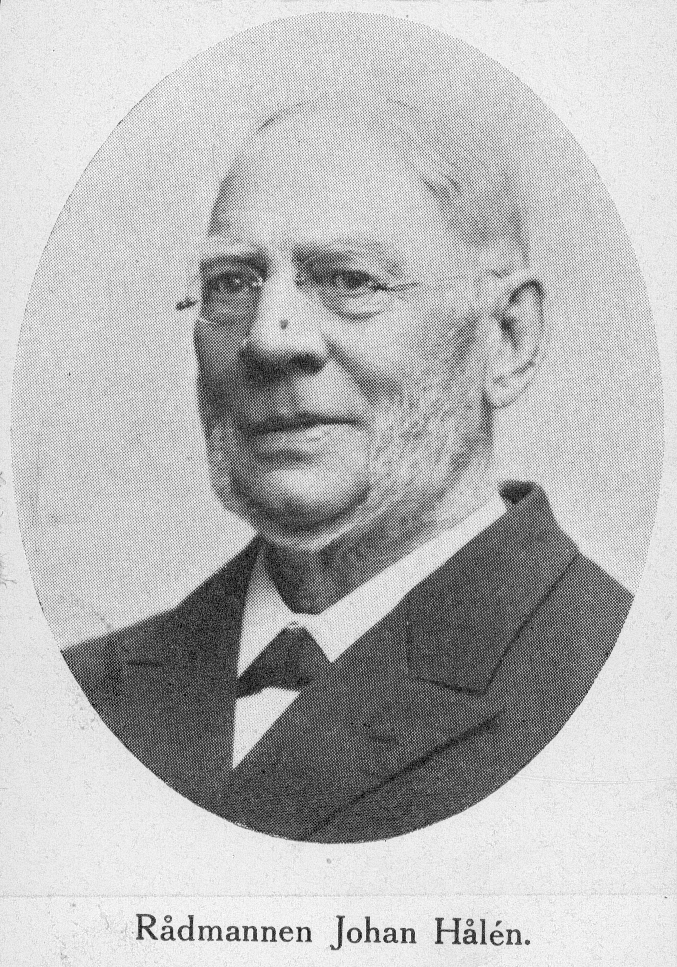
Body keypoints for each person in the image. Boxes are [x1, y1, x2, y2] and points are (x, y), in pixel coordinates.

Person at [64, 95, 631, 842]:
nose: (270, 339)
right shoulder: (78, 696)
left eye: (349, 280)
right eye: (232, 283)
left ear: (506, 338)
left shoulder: (623, 685)